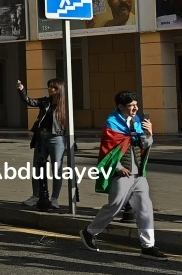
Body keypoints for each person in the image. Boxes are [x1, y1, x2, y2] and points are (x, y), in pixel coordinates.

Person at [81, 91, 166, 258]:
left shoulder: (136, 122)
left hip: (138, 173)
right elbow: (107, 150)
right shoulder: (111, 123)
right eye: (131, 106)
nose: (136, 108)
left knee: (145, 208)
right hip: (122, 173)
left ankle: (148, 246)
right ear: (120, 106)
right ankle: (89, 232)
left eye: (136, 104)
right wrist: (118, 167)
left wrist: (149, 134)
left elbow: (144, 145)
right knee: (114, 206)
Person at [17, 77, 68, 210]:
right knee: (38, 168)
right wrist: (22, 90)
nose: (50, 89)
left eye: (53, 87)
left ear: (59, 89)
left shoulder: (65, 105)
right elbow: (29, 101)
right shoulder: (45, 102)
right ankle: (36, 196)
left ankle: (54, 198)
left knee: (56, 169)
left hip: (57, 138)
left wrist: (71, 143)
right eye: (49, 86)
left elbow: (71, 125)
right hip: (42, 137)